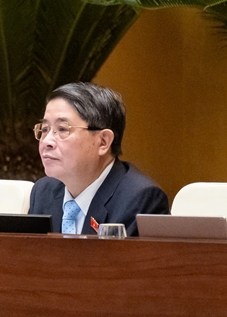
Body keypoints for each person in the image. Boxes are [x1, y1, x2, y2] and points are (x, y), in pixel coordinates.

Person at [28, 82, 168, 236]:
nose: (47, 141)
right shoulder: (43, 191)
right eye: (45, 129)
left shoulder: (140, 199)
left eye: (62, 129)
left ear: (103, 142)